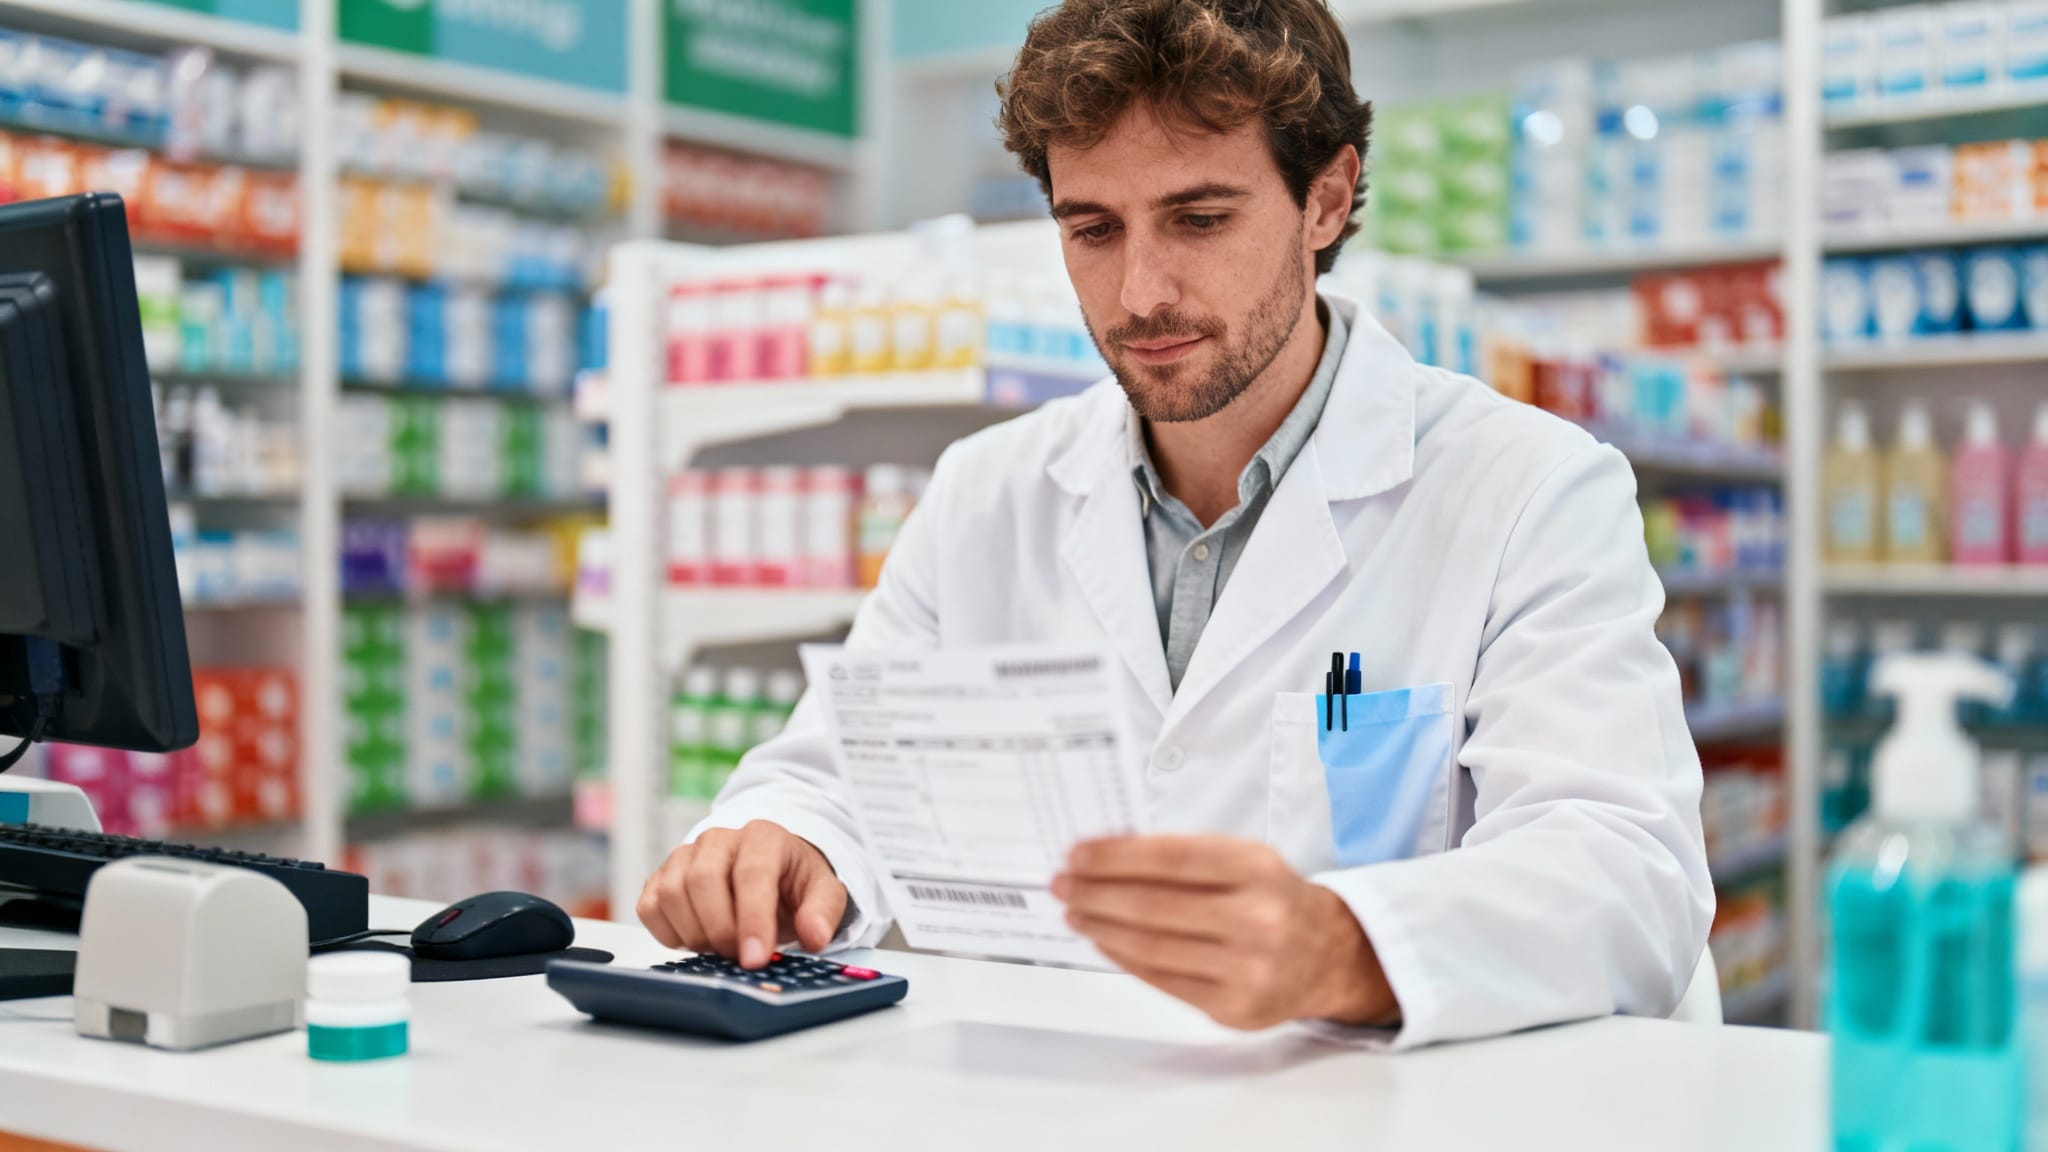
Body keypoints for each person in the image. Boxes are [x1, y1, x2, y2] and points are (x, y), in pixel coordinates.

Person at [638, 0, 1714, 1050]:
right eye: (1091, 229)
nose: (1140, 292)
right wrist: (783, 841)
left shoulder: (1526, 487)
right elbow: (836, 776)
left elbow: (1626, 872)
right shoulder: (986, 493)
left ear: (1326, 198)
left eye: (1198, 219)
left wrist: (1343, 945)